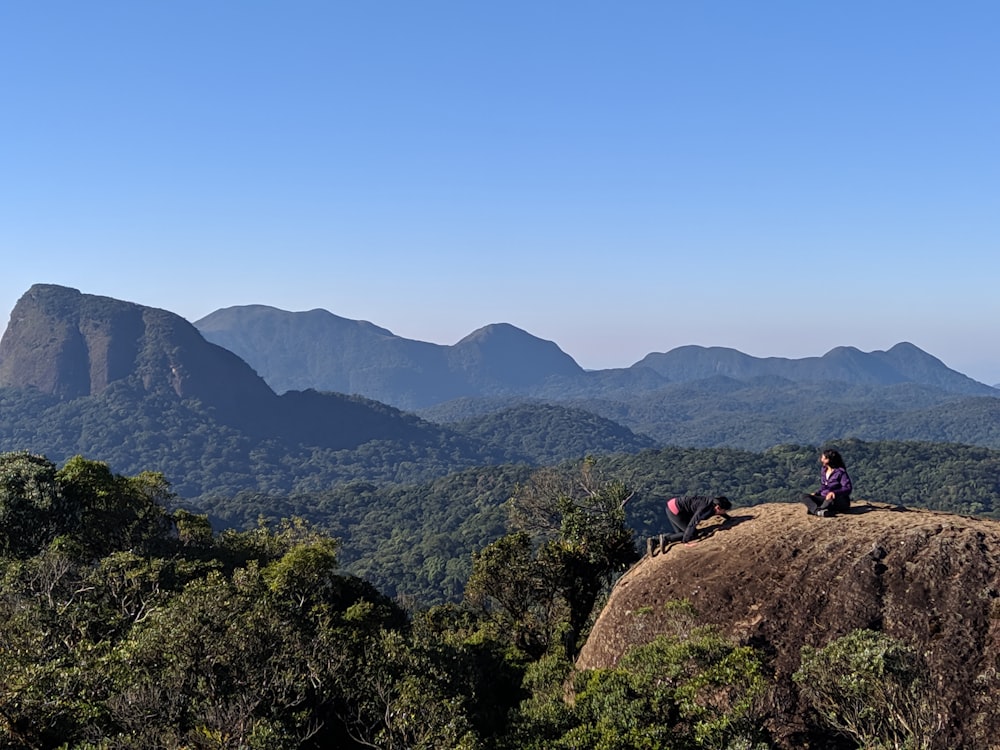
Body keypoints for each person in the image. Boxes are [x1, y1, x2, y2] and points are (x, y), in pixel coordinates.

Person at [801, 448, 852, 517]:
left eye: (823, 457)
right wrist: (817, 493)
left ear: (828, 459)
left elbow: (847, 488)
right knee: (804, 496)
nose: (821, 459)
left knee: (830, 501)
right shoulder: (824, 470)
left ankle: (818, 510)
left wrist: (834, 493)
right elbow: (824, 486)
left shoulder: (840, 472)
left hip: (837, 499)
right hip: (824, 497)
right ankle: (818, 511)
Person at [664, 495, 732, 544]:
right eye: (724, 510)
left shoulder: (714, 503)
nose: (725, 512)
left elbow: (720, 512)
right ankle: (665, 539)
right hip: (675, 510)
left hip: (674, 506)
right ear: (718, 507)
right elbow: (693, 523)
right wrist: (686, 542)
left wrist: (729, 518)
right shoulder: (704, 508)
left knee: (679, 534)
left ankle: (656, 541)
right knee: (692, 534)